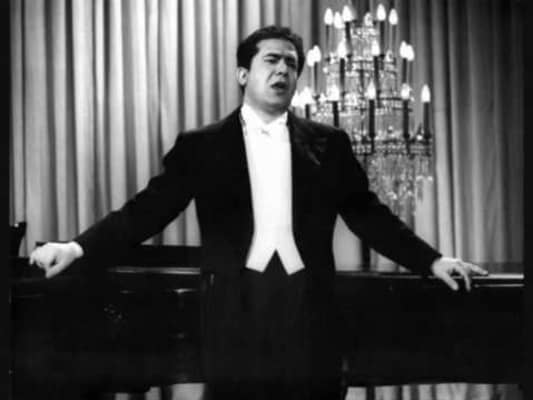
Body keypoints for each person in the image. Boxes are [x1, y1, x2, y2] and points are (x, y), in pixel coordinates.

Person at [30, 25, 488, 400]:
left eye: (292, 63)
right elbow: (146, 210)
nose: (283, 69)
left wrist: (432, 260)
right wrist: (77, 247)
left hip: (309, 310)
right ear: (243, 74)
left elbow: (368, 215)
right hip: (234, 311)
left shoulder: (329, 144)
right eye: (272, 60)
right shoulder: (202, 145)